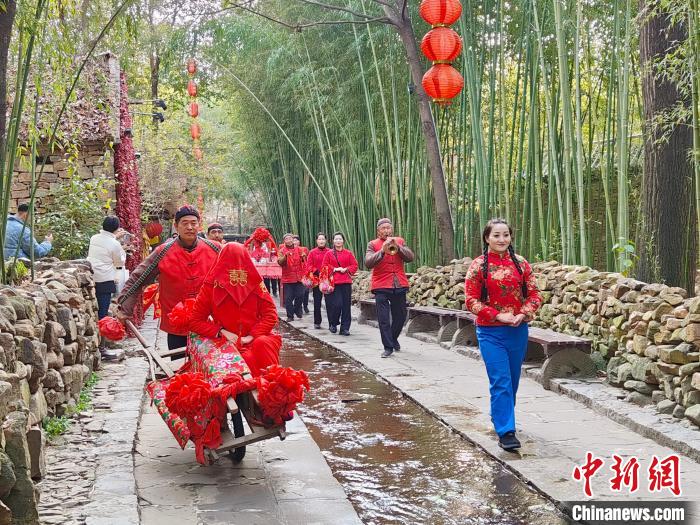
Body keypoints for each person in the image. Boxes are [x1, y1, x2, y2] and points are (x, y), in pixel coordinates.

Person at [464, 218, 541, 451]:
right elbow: (471, 301)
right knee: (501, 380)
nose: (501, 239)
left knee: (513, 380)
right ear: (487, 238)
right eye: (496, 235)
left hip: (517, 329)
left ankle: (501, 416)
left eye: (505, 235)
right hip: (490, 331)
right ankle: (506, 430)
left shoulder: (521, 264)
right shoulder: (478, 266)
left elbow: (535, 294)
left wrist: (524, 313)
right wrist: (497, 315)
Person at [116, 205, 221, 351]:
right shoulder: (163, 251)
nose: (190, 227)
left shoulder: (215, 249)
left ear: (199, 225)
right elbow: (138, 278)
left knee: (211, 366)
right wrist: (125, 308)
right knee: (178, 367)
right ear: (176, 226)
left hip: (209, 320)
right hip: (176, 323)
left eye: (193, 223)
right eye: (185, 223)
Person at [189, 242, 281, 377]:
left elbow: (270, 315)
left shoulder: (256, 284)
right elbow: (195, 321)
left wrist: (252, 336)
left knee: (263, 344)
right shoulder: (211, 286)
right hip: (227, 340)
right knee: (247, 358)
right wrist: (221, 332)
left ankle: (272, 385)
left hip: (256, 337)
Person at [365, 218, 414, 358]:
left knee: (401, 316)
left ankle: (392, 339)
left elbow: (410, 257)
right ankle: (388, 347)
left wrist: (399, 248)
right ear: (378, 231)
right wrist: (382, 250)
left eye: (389, 228)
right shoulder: (372, 244)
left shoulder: (399, 241)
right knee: (384, 318)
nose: (386, 230)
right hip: (381, 285)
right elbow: (368, 263)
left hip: (398, 284)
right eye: (383, 228)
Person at [322, 232, 358, 335]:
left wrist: (346, 269)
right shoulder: (329, 254)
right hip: (334, 283)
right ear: (333, 241)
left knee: (346, 306)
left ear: (343, 241)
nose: (338, 241)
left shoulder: (348, 253)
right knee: (337, 304)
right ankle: (333, 323)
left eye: (340, 239)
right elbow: (324, 267)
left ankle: (345, 328)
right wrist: (335, 269)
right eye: (336, 239)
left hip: (346, 282)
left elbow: (354, 265)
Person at [278, 233, 305, 322]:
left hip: (299, 277)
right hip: (288, 278)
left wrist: (303, 257)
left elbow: (304, 261)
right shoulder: (281, 251)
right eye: (286, 239)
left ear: (293, 240)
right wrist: (285, 256)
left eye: (290, 238)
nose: (289, 240)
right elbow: (280, 262)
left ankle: (297, 309)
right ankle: (290, 315)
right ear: (284, 241)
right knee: (288, 298)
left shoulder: (300, 249)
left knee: (300, 295)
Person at [305, 232, 329, 329]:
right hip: (317, 279)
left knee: (330, 302)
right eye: (319, 239)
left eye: (323, 239)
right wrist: (317, 271)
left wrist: (326, 271)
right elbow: (308, 265)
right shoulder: (312, 252)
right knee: (317, 302)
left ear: (326, 241)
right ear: (316, 241)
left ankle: (332, 322)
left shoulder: (330, 252)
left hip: (328, 280)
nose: (321, 241)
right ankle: (317, 322)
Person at [293, 235, 310, 313]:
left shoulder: (304, 249)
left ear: (299, 242)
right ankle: (298, 308)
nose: (295, 242)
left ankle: (305, 306)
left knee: (305, 291)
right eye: (293, 241)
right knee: (298, 292)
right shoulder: (289, 250)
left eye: (296, 240)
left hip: (304, 272)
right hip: (294, 274)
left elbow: (308, 259)